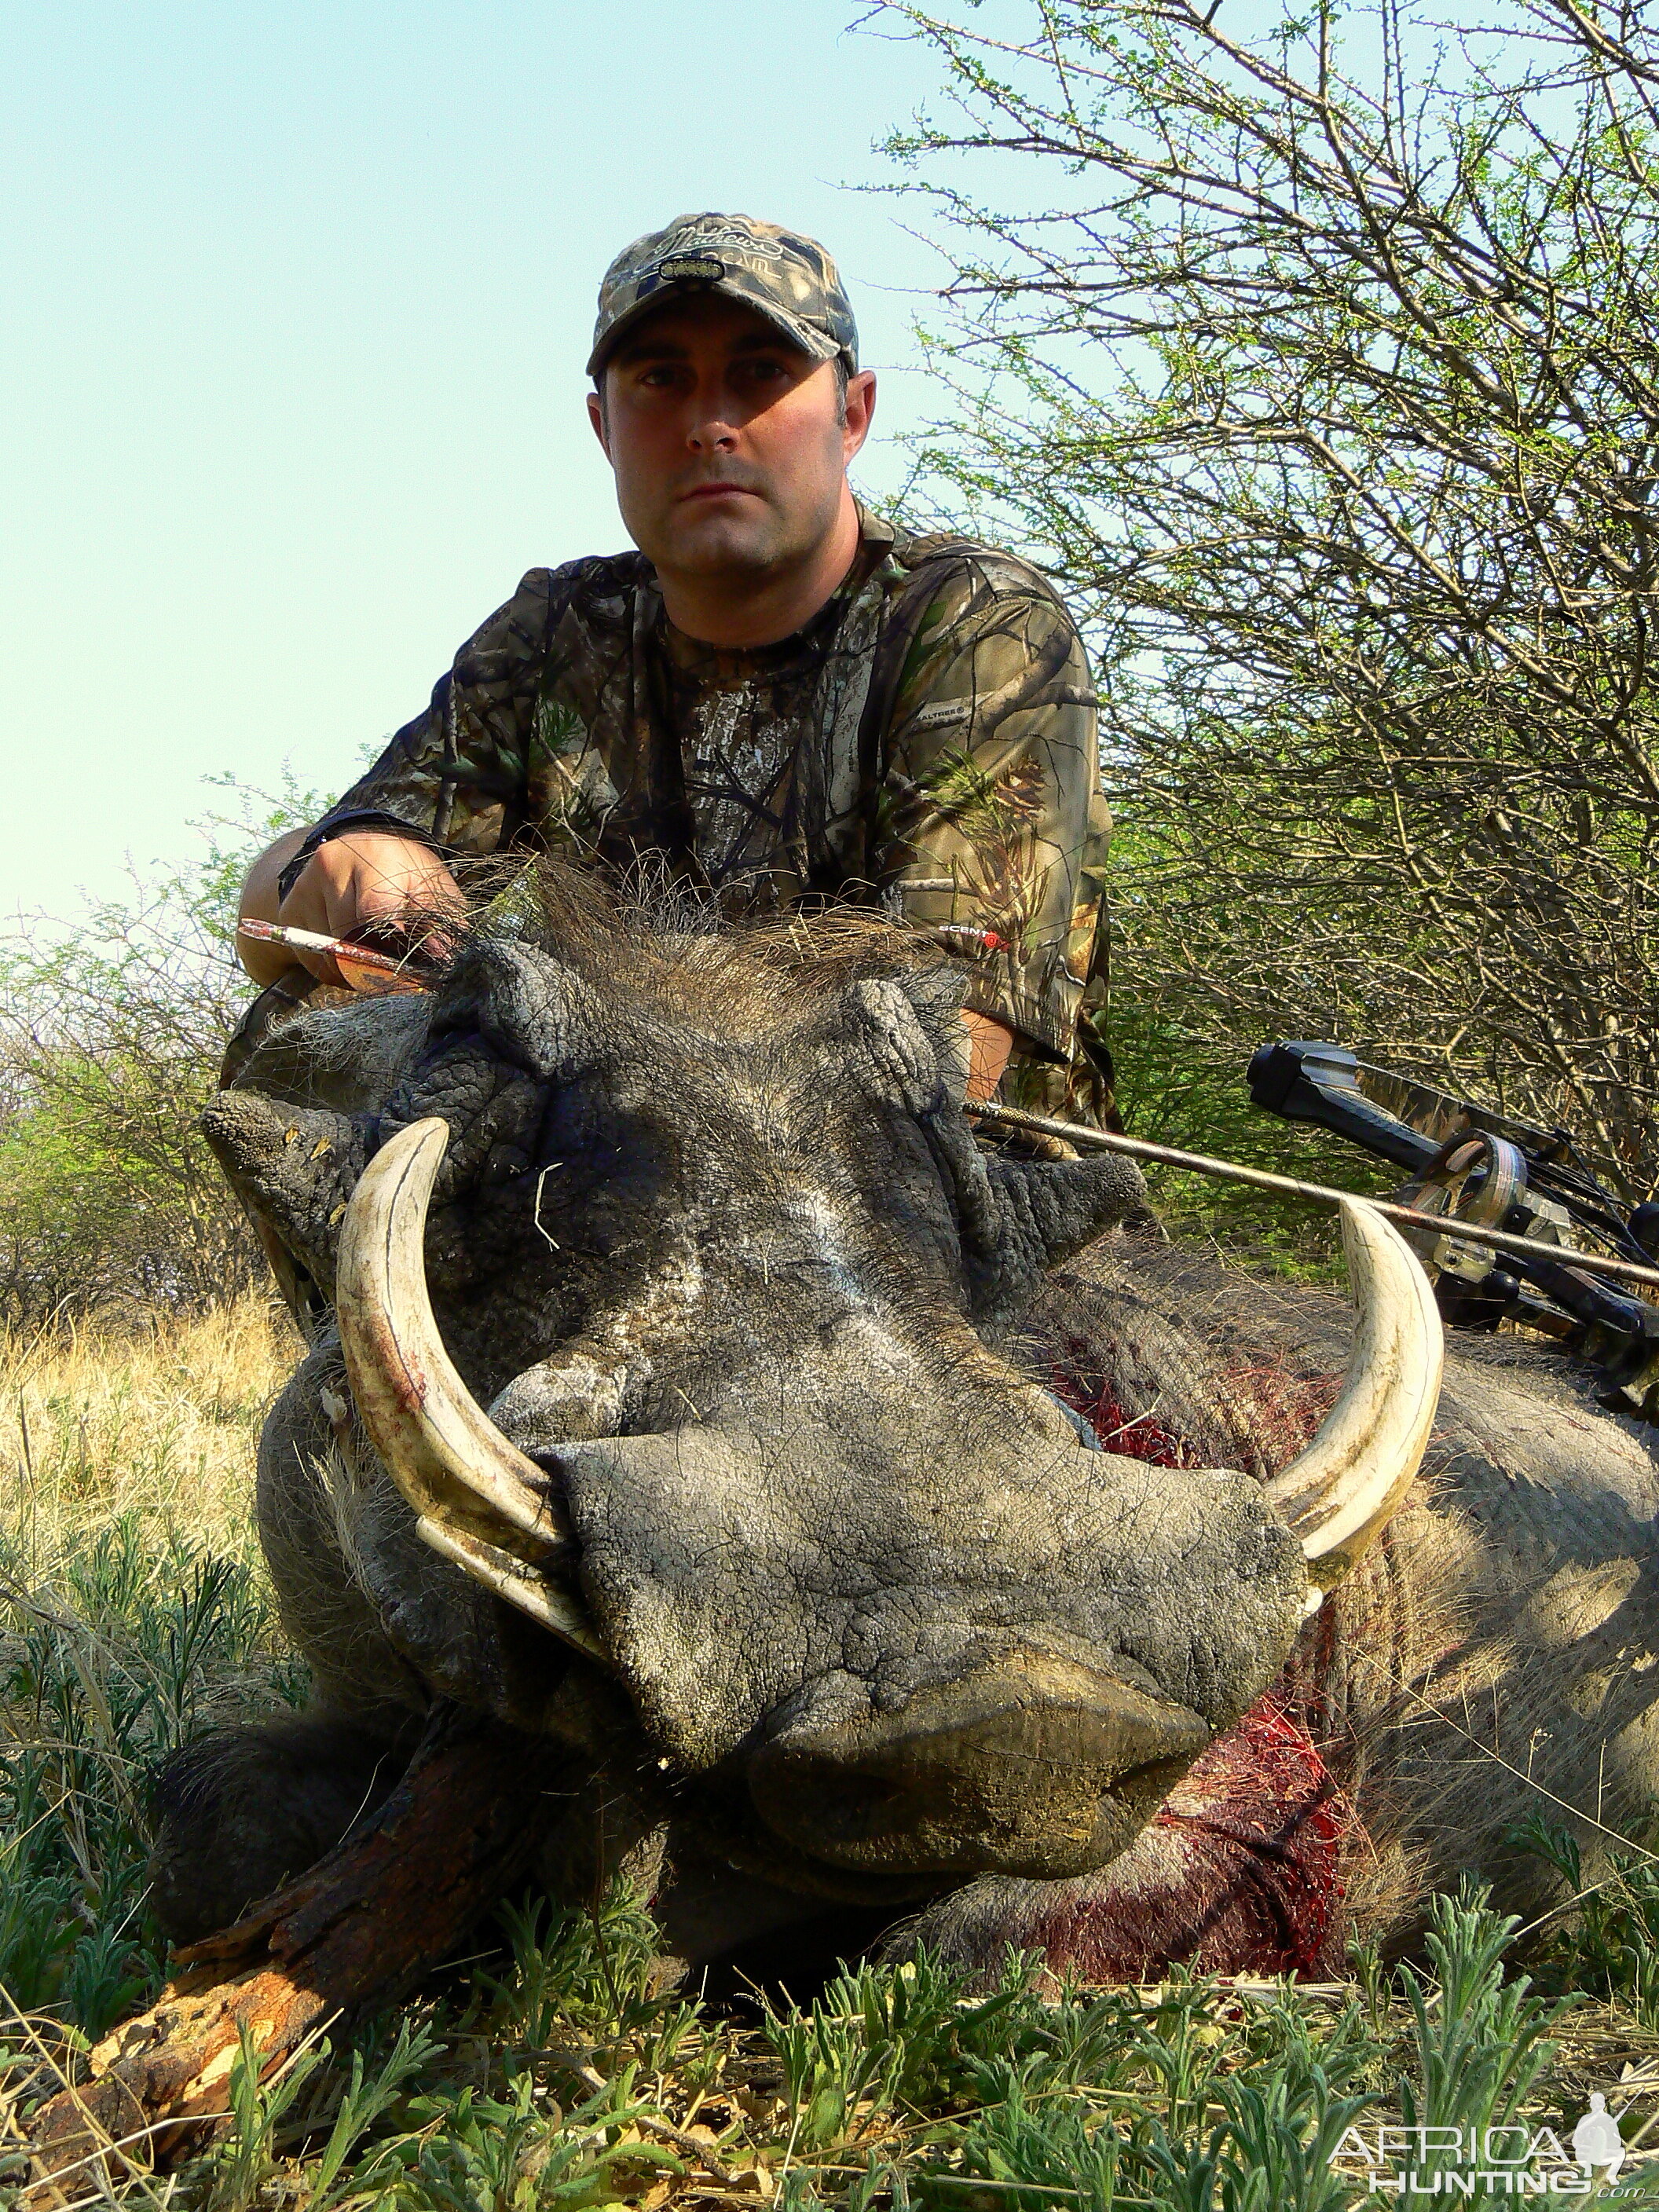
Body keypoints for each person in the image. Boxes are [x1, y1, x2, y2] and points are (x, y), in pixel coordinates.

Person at [236, 211, 1115, 1121]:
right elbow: (269, 923)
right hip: (614, 1161)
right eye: (661, 379)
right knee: (306, 1010)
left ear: (853, 415)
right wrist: (342, 865)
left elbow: (949, 1056)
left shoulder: (978, 623)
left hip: (934, 1200)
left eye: (761, 373)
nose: (709, 425)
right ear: (603, 428)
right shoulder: (555, 630)